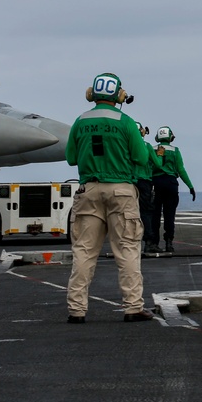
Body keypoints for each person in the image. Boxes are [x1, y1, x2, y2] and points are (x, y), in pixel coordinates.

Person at [65, 72, 154, 323]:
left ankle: (76, 310)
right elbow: (141, 157)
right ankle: (133, 307)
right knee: (127, 249)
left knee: (83, 251)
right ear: (119, 95)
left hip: (88, 190)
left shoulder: (80, 121)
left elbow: (71, 157)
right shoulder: (126, 121)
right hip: (121, 190)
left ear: (91, 94)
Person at [148, 126, 195, 254]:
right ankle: (169, 243)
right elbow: (181, 170)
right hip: (171, 184)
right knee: (170, 215)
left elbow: (148, 168)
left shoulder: (152, 149)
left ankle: (154, 243)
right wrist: (190, 186)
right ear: (170, 137)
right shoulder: (175, 150)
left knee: (154, 216)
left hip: (155, 183)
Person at [133, 122, 161, 255]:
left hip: (128, 182)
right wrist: (159, 155)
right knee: (146, 212)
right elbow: (158, 165)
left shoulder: (126, 146)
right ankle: (149, 243)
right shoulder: (147, 146)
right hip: (144, 182)